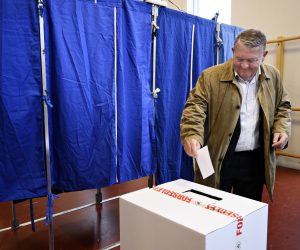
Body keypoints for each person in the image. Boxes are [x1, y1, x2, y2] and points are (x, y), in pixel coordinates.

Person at [180, 29, 291, 201]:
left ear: (264, 55)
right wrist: (192, 134)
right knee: (209, 205)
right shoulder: (210, 76)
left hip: (254, 159)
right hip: (215, 155)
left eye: (252, 60)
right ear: (232, 51)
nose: (244, 65)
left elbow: (282, 106)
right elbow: (195, 107)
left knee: (247, 210)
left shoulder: (273, 76)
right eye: (239, 59)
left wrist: (281, 128)